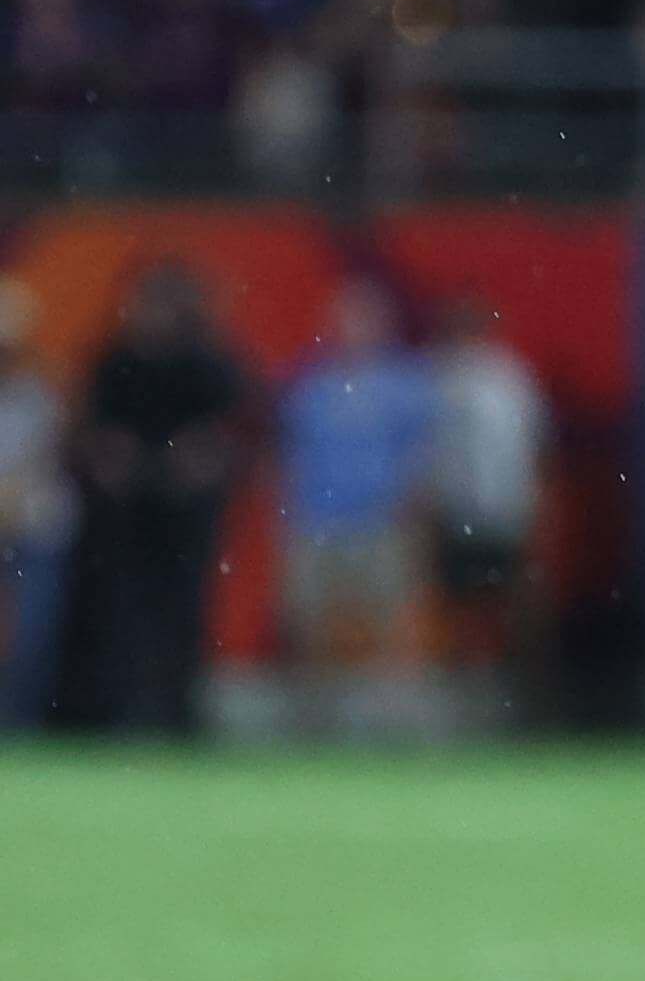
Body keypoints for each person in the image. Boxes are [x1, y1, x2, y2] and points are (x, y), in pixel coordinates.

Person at [63, 263, 250, 733]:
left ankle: (177, 714)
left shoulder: (208, 362)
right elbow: (82, 433)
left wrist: (204, 454)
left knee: (184, 616)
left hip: (187, 514)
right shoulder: (112, 361)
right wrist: (107, 454)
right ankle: (117, 715)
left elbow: (243, 431)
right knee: (117, 616)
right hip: (121, 517)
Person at [277, 277, 441, 731]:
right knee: (310, 627)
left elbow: (422, 458)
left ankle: (395, 722)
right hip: (318, 523)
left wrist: (415, 520)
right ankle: (314, 722)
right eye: (343, 316)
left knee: (392, 627)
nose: (351, 326)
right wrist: (288, 520)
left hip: (382, 523)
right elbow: (291, 457)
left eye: (361, 317)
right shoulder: (311, 385)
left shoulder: (407, 383)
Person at [423, 295, 551, 717]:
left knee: (509, 609)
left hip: (502, 511)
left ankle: (520, 703)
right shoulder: (439, 378)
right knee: (459, 611)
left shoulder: (510, 380)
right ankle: (465, 702)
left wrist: (534, 511)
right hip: (457, 513)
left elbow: (532, 451)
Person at [0, 278, 80, 728]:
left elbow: (45, 460)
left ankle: (20, 723)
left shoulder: (44, 395)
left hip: (33, 531)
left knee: (33, 633)